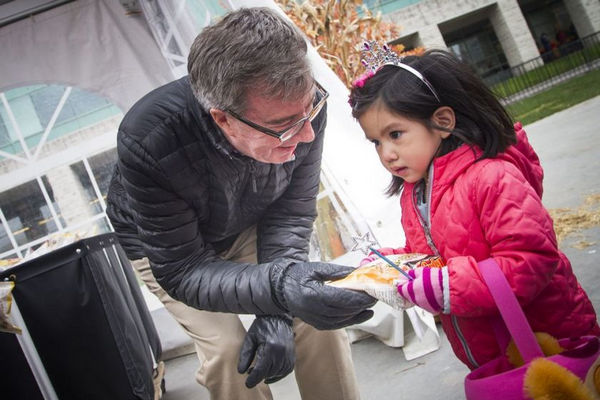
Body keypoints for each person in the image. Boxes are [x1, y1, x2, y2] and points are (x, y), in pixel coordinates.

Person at [107, 7, 376, 400]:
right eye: (285, 127)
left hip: (249, 222)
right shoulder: (148, 139)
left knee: (314, 314)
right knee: (228, 351)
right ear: (223, 119)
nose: (306, 136)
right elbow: (183, 269)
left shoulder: (303, 107)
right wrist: (280, 289)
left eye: (310, 113)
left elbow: (291, 211)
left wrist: (278, 306)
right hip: (167, 250)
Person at [348, 43, 600, 371]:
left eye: (395, 134)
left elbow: (531, 262)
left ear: (442, 122)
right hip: (493, 352)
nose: (386, 153)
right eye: (376, 142)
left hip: (551, 344)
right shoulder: (417, 192)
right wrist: (393, 264)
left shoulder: (492, 177)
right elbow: (432, 252)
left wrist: (447, 286)